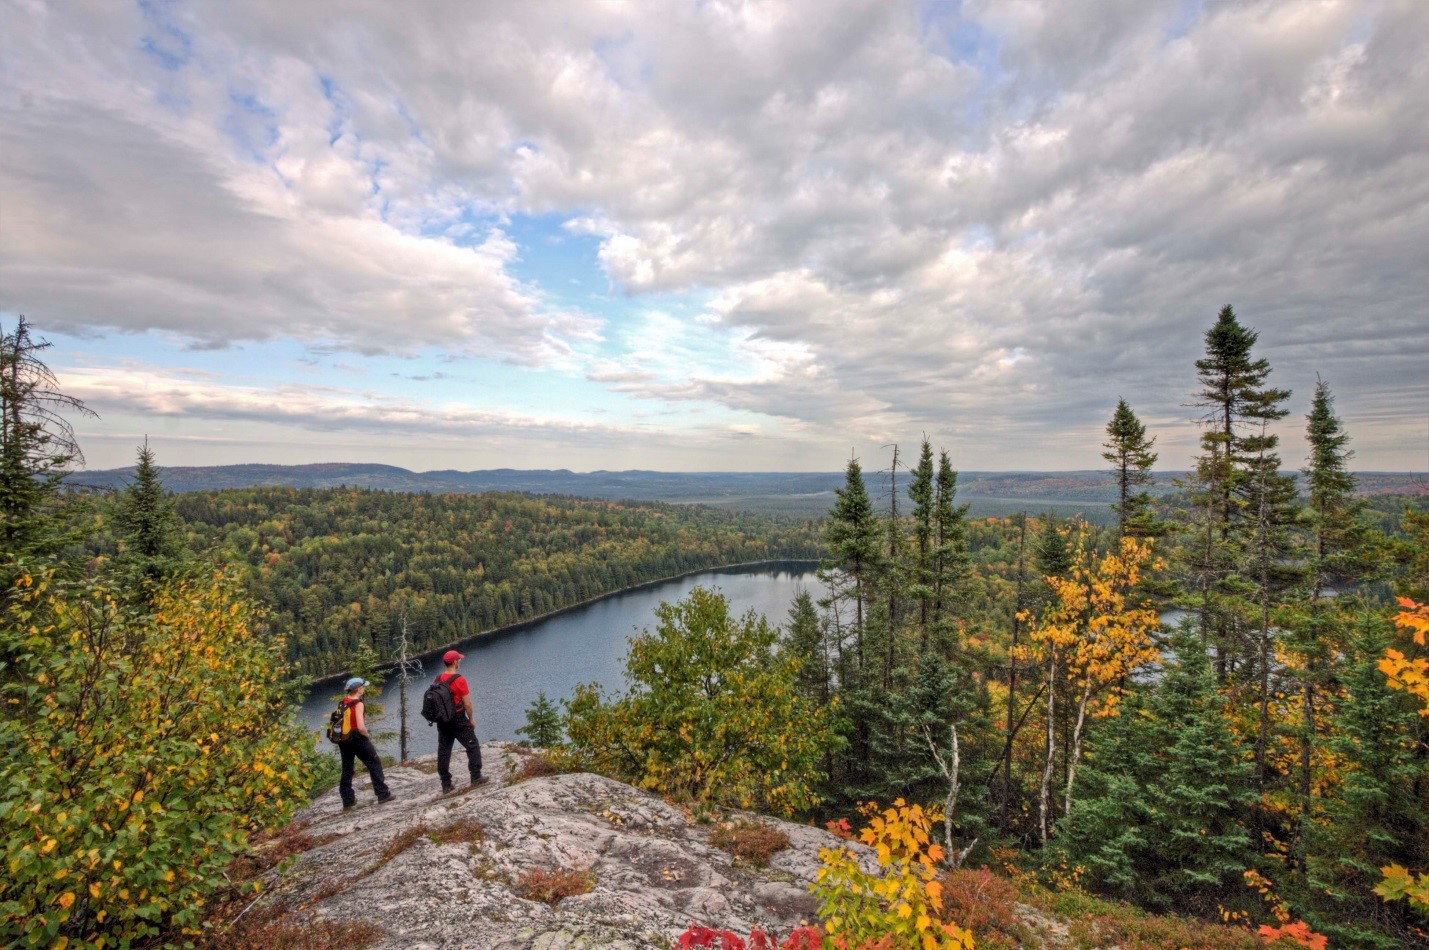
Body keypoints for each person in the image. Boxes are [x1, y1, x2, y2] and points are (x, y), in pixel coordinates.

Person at [336, 677, 393, 809]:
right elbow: (361, 726)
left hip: (343, 738)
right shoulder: (358, 704)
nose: (364, 688)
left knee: (347, 768)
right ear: (358, 689)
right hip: (357, 737)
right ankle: (383, 794)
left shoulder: (342, 702)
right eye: (363, 686)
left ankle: (348, 800)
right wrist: (367, 736)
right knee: (374, 763)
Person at [434, 650, 487, 792]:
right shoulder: (460, 679)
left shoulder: (437, 679)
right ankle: (476, 777)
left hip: (443, 721)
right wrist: (471, 719)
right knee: (473, 745)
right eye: (459, 659)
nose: (460, 661)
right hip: (457, 718)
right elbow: (467, 704)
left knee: (444, 751)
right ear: (455, 662)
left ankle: (446, 785)